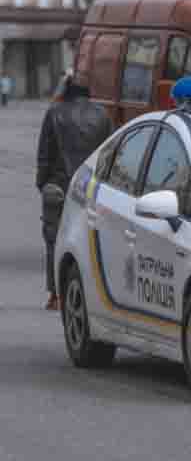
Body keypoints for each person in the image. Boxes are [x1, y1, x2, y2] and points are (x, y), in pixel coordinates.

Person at [36, 74, 114, 310]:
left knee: (54, 240)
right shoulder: (102, 115)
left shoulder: (54, 113)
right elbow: (110, 153)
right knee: (91, 241)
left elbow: (44, 154)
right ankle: (94, 294)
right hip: (92, 188)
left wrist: (42, 184)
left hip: (59, 186)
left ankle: (55, 296)